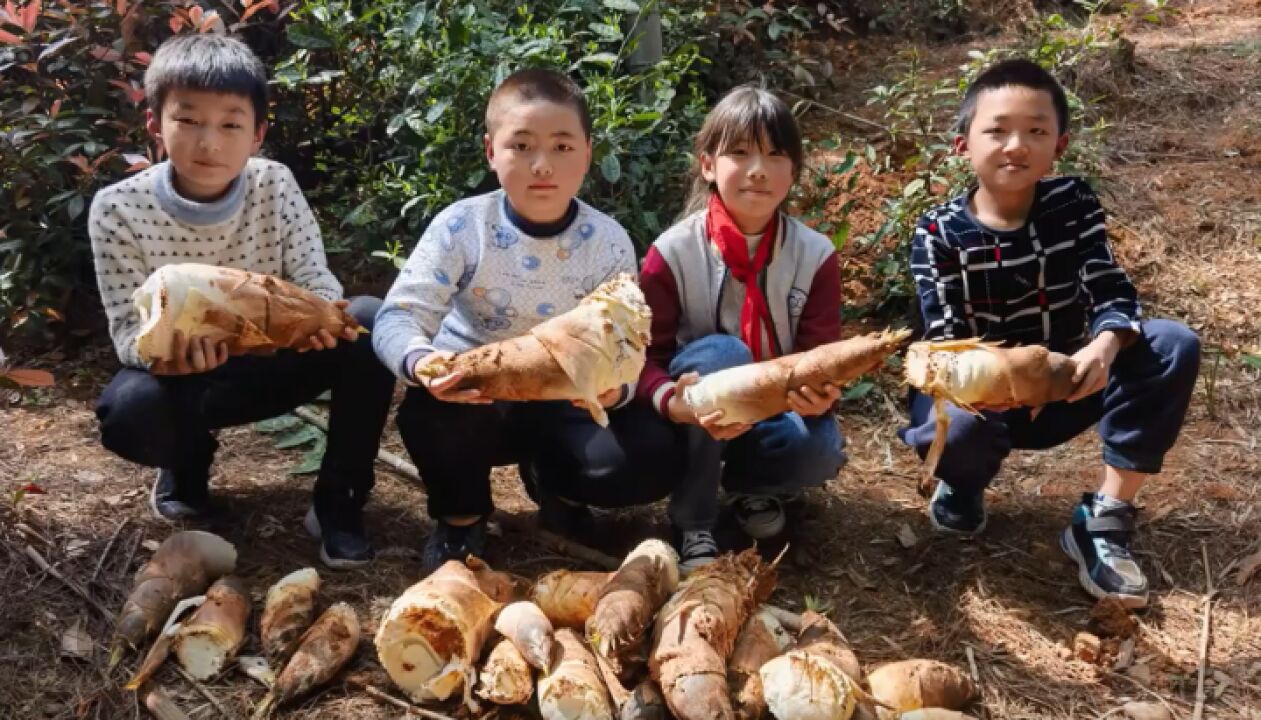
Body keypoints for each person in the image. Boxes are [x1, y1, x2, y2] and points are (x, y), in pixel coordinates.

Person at [901, 58, 1200, 608]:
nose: (1016, 144)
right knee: (952, 428)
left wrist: (1104, 345)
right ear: (962, 144)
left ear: (1058, 146)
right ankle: (963, 485)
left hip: (1069, 382)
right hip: (977, 395)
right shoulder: (937, 230)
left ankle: (1104, 518)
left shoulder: (1073, 204)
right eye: (997, 129)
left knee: (1172, 344)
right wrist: (1003, 383)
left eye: (1035, 130)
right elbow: (944, 338)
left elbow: (1111, 289)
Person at [91, 34, 395, 569]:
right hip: (189, 377)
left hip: (275, 363)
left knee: (367, 320)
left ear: (257, 135)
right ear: (155, 126)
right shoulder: (118, 209)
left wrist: (320, 320)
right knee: (129, 411)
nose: (209, 142)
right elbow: (124, 332)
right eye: (188, 120)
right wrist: (172, 353)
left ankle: (339, 500)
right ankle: (188, 464)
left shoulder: (274, 186)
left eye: (231, 124)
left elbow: (315, 280)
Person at [372, 68, 644, 573]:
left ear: (588, 152)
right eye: (521, 145)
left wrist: (617, 387)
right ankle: (460, 517)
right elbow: (398, 314)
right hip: (478, 396)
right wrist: (423, 361)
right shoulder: (461, 226)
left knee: (636, 460)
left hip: (567, 398)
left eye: (562, 147)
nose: (542, 165)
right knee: (430, 416)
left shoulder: (607, 240)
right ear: (490, 151)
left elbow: (627, 342)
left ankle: (558, 487)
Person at [636, 85, 848, 572]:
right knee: (724, 355)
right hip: (693, 412)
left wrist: (823, 393)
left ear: (793, 171)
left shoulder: (814, 256)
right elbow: (644, 356)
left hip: (775, 401)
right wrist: (669, 396)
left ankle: (755, 487)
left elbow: (821, 353)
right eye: (740, 152)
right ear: (708, 164)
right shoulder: (672, 253)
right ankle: (694, 519)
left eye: (776, 155)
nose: (759, 170)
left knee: (818, 451)